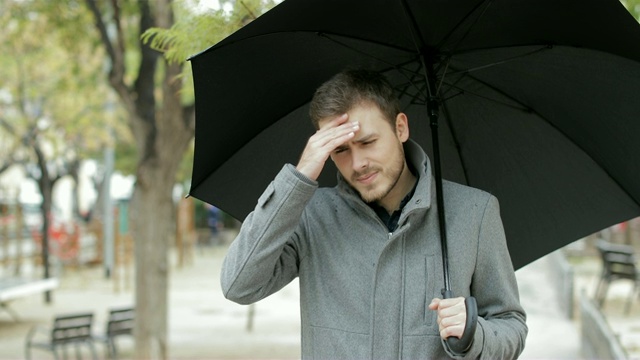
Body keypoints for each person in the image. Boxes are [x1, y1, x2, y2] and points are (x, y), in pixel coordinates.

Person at [221, 69, 527, 359]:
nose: (358, 163)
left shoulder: (474, 211)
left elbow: (510, 326)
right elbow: (238, 285)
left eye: (368, 142)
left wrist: (475, 332)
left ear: (400, 128)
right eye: (340, 150)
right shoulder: (311, 215)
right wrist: (298, 179)